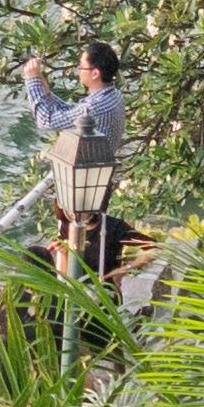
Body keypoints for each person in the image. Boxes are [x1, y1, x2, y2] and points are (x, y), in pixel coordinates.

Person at [20, 39, 126, 277]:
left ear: (95, 73)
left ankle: (71, 291)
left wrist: (32, 81)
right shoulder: (112, 97)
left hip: (83, 192)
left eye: (81, 67)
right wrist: (45, 90)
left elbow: (46, 120)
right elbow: (70, 113)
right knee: (79, 246)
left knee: (75, 248)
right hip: (96, 181)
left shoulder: (95, 107)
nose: (79, 71)